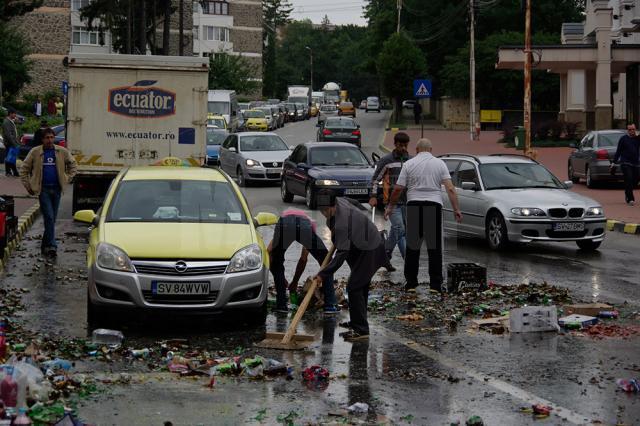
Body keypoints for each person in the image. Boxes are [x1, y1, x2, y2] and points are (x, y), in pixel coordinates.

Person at [385, 138, 462, 293]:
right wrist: (456, 209)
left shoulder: (409, 164)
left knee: (413, 247)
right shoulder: (440, 164)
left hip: (414, 206)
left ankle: (411, 284)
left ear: (417, 150)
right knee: (434, 247)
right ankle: (435, 285)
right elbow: (450, 189)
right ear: (431, 149)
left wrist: (391, 206)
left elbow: (398, 189)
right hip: (433, 206)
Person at [315, 191, 387, 341]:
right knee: (360, 285)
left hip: (370, 248)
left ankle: (361, 330)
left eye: (326, 210)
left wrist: (323, 274)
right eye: (321, 210)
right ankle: (357, 322)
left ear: (333, 206)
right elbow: (354, 203)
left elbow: (341, 255)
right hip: (360, 245)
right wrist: (359, 220)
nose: (324, 213)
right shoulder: (340, 200)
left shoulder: (342, 223)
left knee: (354, 286)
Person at [267, 208, 339, 314]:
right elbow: (303, 259)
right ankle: (330, 305)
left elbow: (268, 251)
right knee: (326, 259)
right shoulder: (310, 223)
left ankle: (281, 305)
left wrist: (280, 279)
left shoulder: (283, 219)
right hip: (302, 225)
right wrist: (324, 274)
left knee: (277, 262)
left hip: (284, 224)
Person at [20, 128, 77, 257]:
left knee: (52, 219)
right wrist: (28, 185)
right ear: (42, 139)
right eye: (47, 137)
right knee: (49, 217)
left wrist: (67, 178)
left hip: (56, 189)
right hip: (43, 190)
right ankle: (52, 246)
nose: (50, 140)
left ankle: (45, 244)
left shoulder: (61, 151)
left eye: (52, 137)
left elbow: (73, 165)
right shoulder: (35, 152)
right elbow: (24, 169)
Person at [370, 132, 411, 266]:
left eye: (405, 145)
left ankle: (386, 252)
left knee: (400, 231)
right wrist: (374, 196)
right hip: (392, 203)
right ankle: (408, 262)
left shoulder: (410, 160)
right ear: (395, 144)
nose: (403, 148)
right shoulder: (386, 160)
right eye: (400, 145)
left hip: (408, 201)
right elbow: (376, 180)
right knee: (399, 228)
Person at [612, 123, 640, 206]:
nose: (631, 131)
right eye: (630, 130)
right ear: (627, 130)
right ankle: (630, 198)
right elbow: (618, 151)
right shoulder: (623, 139)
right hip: (625, 162)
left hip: (635, 163)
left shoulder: (638, 138)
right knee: (629, 178)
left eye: (633, 129)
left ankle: (627, 191)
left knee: (636, 179)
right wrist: (614, 162)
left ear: (635, 129)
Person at [2, 106, 19, 177]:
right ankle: (12, 172)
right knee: (10, 158)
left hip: (12, 142)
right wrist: (14, 143)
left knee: (10, 157)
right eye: (14, 114)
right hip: (9, 143)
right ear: (10, 114)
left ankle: (10, 172)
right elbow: (8, 134)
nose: (15, 115)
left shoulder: (10, 121)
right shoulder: (6, 122)